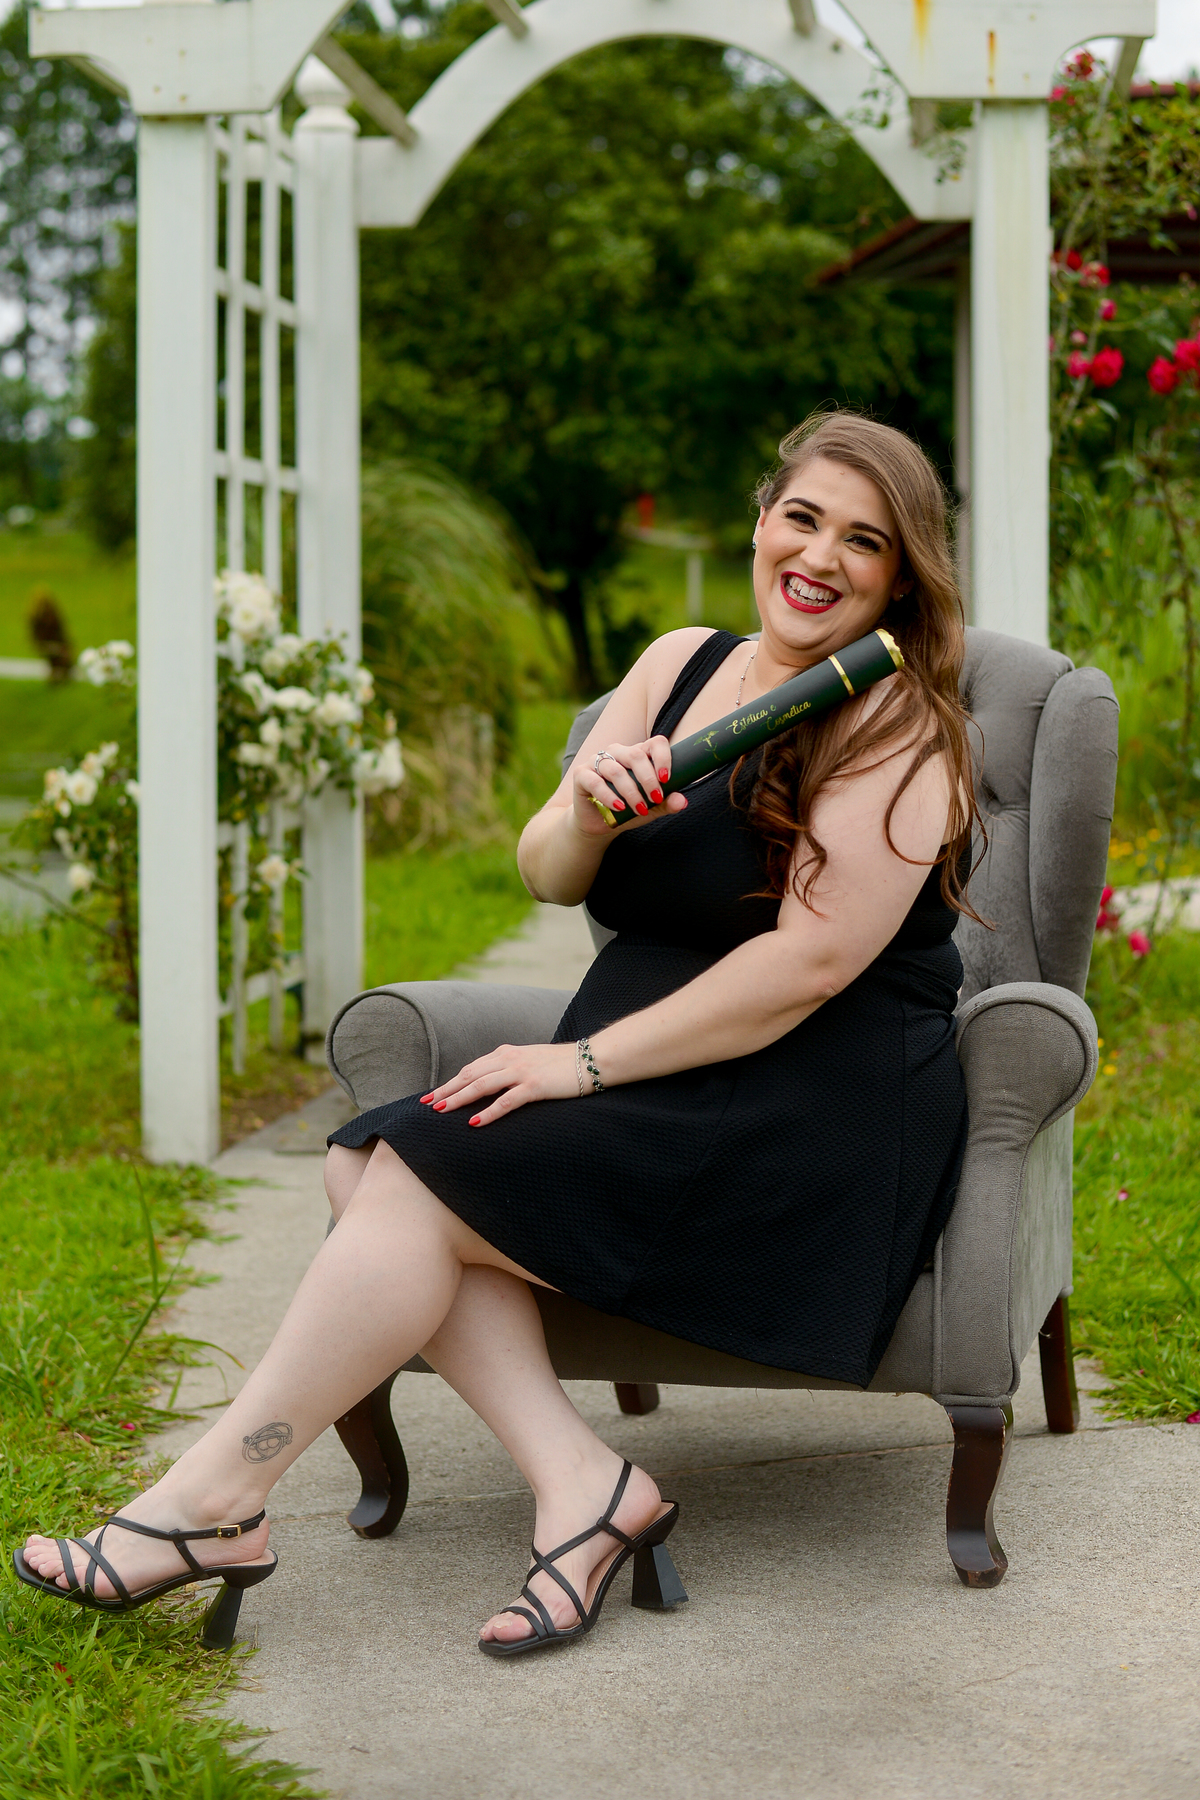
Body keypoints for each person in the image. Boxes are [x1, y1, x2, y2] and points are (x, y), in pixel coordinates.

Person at [18, 411, 980, 1658]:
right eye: (802, 518)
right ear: (760, 520)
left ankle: (212, 1501)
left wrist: (576, 1063)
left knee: (398, 1177)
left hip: (809, 1102)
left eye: (864, 541)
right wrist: (586, 810)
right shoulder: (680, 662)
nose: (820, 556)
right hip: (662, 1075)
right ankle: (583, 1485)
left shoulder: (901, 724)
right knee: (364, 1161)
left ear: (900, 579)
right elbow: (545, 872)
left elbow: (811, 965)